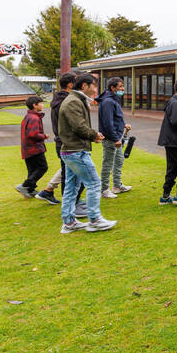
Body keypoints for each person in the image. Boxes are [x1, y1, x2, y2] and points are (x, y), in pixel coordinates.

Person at [57, 73, 117, 233]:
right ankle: (95, 220)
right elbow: (79, 126)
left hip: (72, 150)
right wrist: (93, 135)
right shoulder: (73, 102)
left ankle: (69, 222)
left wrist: (92, 135)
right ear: (84, 86)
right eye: (94, 86)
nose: (96, 89)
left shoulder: (76, 100)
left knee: (72, 187)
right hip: (76, 151)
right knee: (94, 183)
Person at [34, 71, 77, 207]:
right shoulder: (66, 101)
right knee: (70, 173)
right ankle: (69, 203)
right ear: (70, 84)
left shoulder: (60, 100)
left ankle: (48, 190)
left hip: (62, 141)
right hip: (66, 142)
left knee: (68, 169)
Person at [97, 76, 132, 198]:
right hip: (111, 139)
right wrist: (115, 138)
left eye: (123, 86)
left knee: (119, 161)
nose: (123, 89)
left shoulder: (113, 99)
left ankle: (117, 186)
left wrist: (123, 125)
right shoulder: (108, 101)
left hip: (117, 137)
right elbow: (108, 123)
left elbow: (116, 117)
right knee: (108, 163)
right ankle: (104, 189)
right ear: (112, 88)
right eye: (120, 86)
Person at [16, 94, 49, 199]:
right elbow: (33, 134)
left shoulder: (28, 116)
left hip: (27, 149)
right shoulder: (34, 118)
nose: (42, 105)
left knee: (32, 170)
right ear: (35, 105)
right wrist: (44, 136)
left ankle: (30, 190)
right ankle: (24, 186)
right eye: (41, 103)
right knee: (42, 167)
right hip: (34, 148)